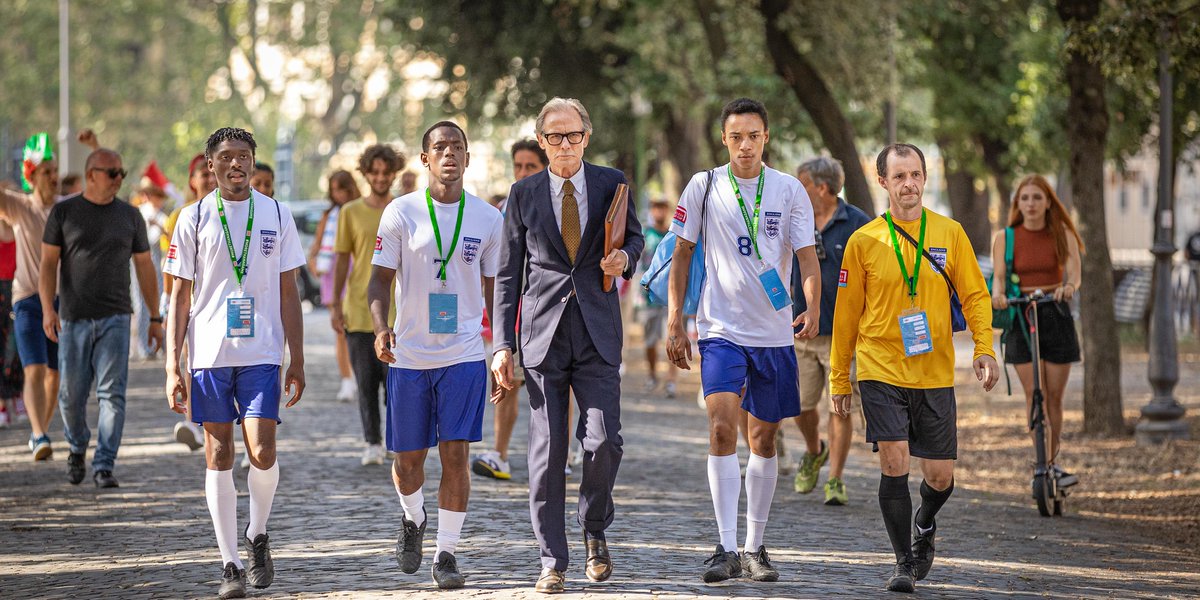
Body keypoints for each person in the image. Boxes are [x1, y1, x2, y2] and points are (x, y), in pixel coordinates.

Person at [665, 98, 821, 584]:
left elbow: (808, 259)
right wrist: (676, 319)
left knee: (764, 437)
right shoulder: (704, 185)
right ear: (724, 140)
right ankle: (725, 546)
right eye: (736, 137)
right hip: (720, 330)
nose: (745, 145)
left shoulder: (789, 190)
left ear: (766, 137)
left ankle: (756, 545)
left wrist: (812, 304)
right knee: (721, 428)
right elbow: (682, 255)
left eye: (753, 135)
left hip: (773, 335)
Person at [831, 143, 998, 593]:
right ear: (882, 182)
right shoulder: (864, 240)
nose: (909, 184)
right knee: (894, 461)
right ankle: (903, 561)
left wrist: (985, 348)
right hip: (879, 366)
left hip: (934, 370)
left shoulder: (950, 233)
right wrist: (839, 376)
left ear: (925, 179)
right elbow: (845, 316)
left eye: (916, 175)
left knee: (940, 476)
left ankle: (925, 523)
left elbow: (976, 296)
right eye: (899, 176)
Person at [492, 97, 644, 594]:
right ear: (541, 141)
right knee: (549, 450)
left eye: (573, 135)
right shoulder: (523, 193)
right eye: (554, 136)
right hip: (542, 337)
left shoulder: (611, 184)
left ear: (587, 137)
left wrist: (623, 257)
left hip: (598, 330)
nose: (564, 144)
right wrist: (502, 345)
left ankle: (594, 530)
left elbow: (636, 240)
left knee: (603, 441)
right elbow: (509, 274)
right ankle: (551, 559)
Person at [164, 127, 306, 599]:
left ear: (253, 162)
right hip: (209, 355)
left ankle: (257, 533)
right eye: (226, 157)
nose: (236, 164)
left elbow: (290, 290)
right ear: (211, 165)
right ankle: (229, 563)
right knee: (220, 454)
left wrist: (297, 358)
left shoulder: (276, 213)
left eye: (244, 156)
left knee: (262, 451)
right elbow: (179, 297)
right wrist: (172, 366)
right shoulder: (192, 217)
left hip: (262, 353)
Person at [367, 121, 502, 590]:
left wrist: (501, 348)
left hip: (464, 354)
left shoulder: (487, 219)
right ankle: (413, 517)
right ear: (425, 159)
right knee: (407, 463)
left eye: (457, 147)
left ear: (468, 158)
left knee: (456, 456)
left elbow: (497, 292)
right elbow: (379, 280)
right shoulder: (401, 213)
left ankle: (446, 553)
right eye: (439, 147)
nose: (449, 154)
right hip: (409, 356)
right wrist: (382, 328)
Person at [40, 147, 166, 488]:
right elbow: (48, 264)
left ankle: (104, 465)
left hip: (116, 318)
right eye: (112, 173)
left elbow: (145, 267)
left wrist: (155, 317)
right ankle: (77, 446)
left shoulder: (130, 216)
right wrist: (48, 309)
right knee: (71, 395)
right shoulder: (64, 212)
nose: (118, 179)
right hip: (74, 317)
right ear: (92, 173)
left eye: (121, 174)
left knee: (112, 394)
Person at [787, 157, 871, 505]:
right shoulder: (792, 218)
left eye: (802, 182)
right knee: (799, 407)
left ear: (821, 187)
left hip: (843, 336)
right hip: (800, 332)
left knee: (841, 408)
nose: (796, 189)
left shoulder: (858, 225)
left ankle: (835, 479)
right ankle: (814, 449)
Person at [991, 174, 1083, 488]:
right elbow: (999, 278)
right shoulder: (1006, 237)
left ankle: (1054, 462)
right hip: (1020, 315)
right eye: (1025, 198)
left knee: (1054, 397)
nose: (1030, 204)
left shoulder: (1063, 233)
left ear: (1048, 203)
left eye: (1037, 198)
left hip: (1054, 313)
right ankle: (1041, 463)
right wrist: (998, 295)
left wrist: (1068, 287)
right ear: (1018, 203)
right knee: (1034, 395)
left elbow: (1074, 273)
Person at [471, 138, 548, 481]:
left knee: (556, 387)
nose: (522, 172)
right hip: (512, 314)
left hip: (549, 311)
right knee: (506, 381)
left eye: (530, 166)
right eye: (518, 166)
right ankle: (499, 454)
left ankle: (556, 456)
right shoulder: (503, 208)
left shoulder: (557, 204)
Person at [331, 145, 404, 466]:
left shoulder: (404, 209)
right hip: (359, 310)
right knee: (366, 383)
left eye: (386, 172)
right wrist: (334, 304)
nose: (380, 178)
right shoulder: (350, 212)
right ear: (365, 173)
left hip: (399, 312)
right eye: (374, 172)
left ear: (394, 173)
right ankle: (372, 442)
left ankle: (395, 439)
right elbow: (342, 259)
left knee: (397, 383)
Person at [0, 133, 61, 460]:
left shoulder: (67, 209)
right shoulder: (19, 206)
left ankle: (42, 430)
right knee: (34, 369)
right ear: (33, 175)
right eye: (48, 171)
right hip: (26, 300)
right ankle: (39, 434)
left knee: (55, 373)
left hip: (61, 300)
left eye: (56, 171)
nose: (55, 177)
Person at [166, 153, 217, 451]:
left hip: (219, 307)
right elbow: (170, 269)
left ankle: (205, 420)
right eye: (203, 174)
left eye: (211, 174)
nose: (209, 180)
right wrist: (166, 302)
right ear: (192, 180)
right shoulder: (182, 215)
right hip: (188, 301)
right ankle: (191, 419)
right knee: (190, 357)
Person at [308, 169, 357, 403]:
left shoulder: (360, 210)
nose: (339, 194)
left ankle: (360, 374)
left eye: (343, 188)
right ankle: (346, 379)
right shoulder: (329, 215)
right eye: (335, 189)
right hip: (333, 272)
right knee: (340, 330)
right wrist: (314, 261)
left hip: (356, 272)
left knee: (359, 331)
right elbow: (316, 246)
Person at [638, 198, 679, 398]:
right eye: (656, 208)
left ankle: (671, 380)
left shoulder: (675, 234)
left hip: (672, 296)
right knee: (650, 340)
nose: (659, 212)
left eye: (663, 207)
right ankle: (652, 375)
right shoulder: (645, 234)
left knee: (672, 338)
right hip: (649, 297)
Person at [131, 185, 170, 360]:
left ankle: (158, 344)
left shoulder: (161, 215)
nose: (159, 201)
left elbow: (168, 235)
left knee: (158, 301)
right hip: (139, 258)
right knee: (141, 303)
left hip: (156, 259)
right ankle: (144, 346)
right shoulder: (141, 212)